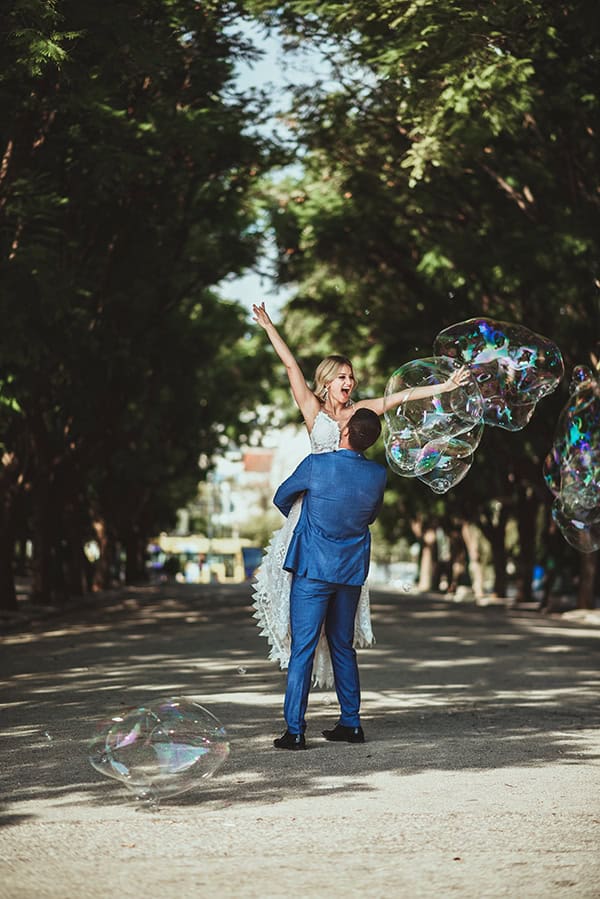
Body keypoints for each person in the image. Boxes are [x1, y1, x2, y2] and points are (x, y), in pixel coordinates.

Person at [251, 301, 470, 688]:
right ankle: (301, 655)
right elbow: (291, 367)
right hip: (312, 510)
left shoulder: (360, 412)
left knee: (337, 618)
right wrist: (270, 327)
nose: (348, 382)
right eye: (341, 376)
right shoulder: (313, 409)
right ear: (326, 381)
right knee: (299, 601)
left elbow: (400, 397)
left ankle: (330, 671)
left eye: (351, 376)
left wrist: (445, 386)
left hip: (345, 515)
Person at [272, 409, 387, 749]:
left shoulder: (316, 464)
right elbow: (371, 516)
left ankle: (295, 731)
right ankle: (351, 723)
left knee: (303, 649)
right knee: (342, 645)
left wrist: (308, 517)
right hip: (349, 572)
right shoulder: (377, 474)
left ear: (346, 431)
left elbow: (281, 497)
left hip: (313, 568)